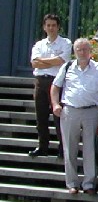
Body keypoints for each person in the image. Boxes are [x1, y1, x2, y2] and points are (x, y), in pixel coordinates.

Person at [51, 38, 98, 195]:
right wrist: (56, 104)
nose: (82, 52)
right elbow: (55, 87)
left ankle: (89, 183)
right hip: (69, 111)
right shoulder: (67, 66)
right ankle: (72, 183)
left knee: (90, 148)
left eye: (85, 49)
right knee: (69, 148)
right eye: (79, 49)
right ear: (74, 51)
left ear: (90, 51)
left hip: (91, 111)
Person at [29, 13, 72, 158]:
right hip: (40, 82)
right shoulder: (39, 44)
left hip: (57, 83)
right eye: (48, 25)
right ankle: (42, 146)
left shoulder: (65, 43)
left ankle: (62, 149)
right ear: (44, 27)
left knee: (58, 117)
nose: (51, 28)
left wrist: (43, 61)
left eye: (54, 25)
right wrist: (52, 61)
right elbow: (34, 63)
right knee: (41, 117)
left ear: (58, 27)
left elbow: (62, 61)